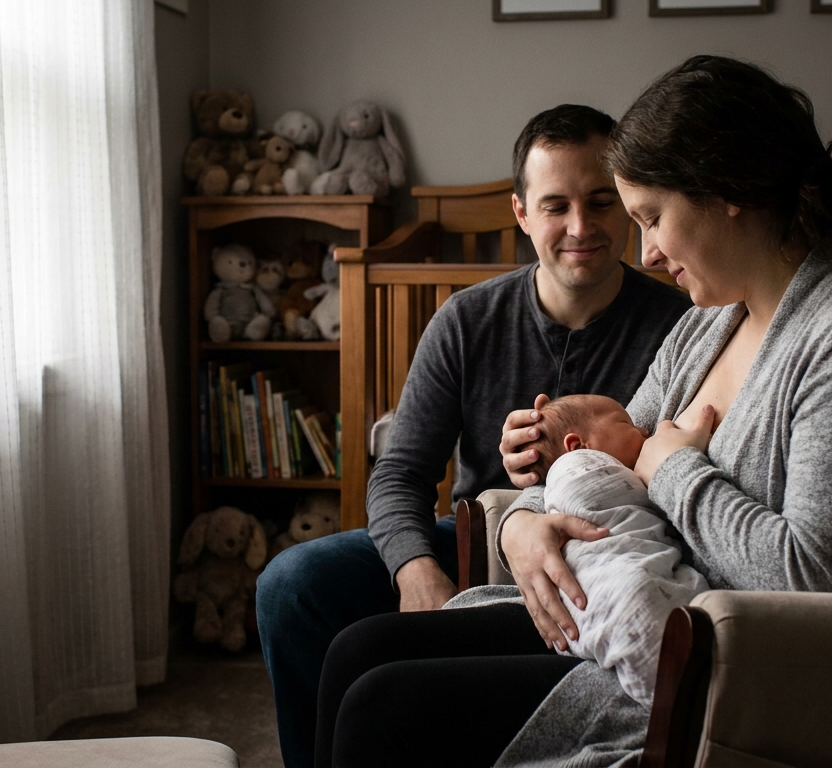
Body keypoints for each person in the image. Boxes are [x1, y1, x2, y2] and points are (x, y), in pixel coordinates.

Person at [316, 54, 832, 768]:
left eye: (650, 217)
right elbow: (605, 458)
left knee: (385, 709)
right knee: (357, 651)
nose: (643, 251)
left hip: (733, 663)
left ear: (727, 190)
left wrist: (672, 465)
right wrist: (523, 523)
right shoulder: (710, 324)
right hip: (645, 608)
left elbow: (811, 579)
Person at [255, 104, 693, 768]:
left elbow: (678, 469)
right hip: (475, 548)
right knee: (291, 584)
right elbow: (401, 472)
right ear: (521, 214)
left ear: (630, 204)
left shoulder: (678, 326)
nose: (581, 227)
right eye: (556, 207)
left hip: (610, 559)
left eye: (602, 202)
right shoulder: (466, 321)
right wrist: (415, 570)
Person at [514, 393, 710, 707]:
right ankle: (674, 700)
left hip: (586, 616)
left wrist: (674, 468)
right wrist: (517, 524)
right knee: (635, 597)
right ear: (578, 447)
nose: (645, 431)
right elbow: (586, 494)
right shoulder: (583, 471)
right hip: (598, 590)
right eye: (627, 423)